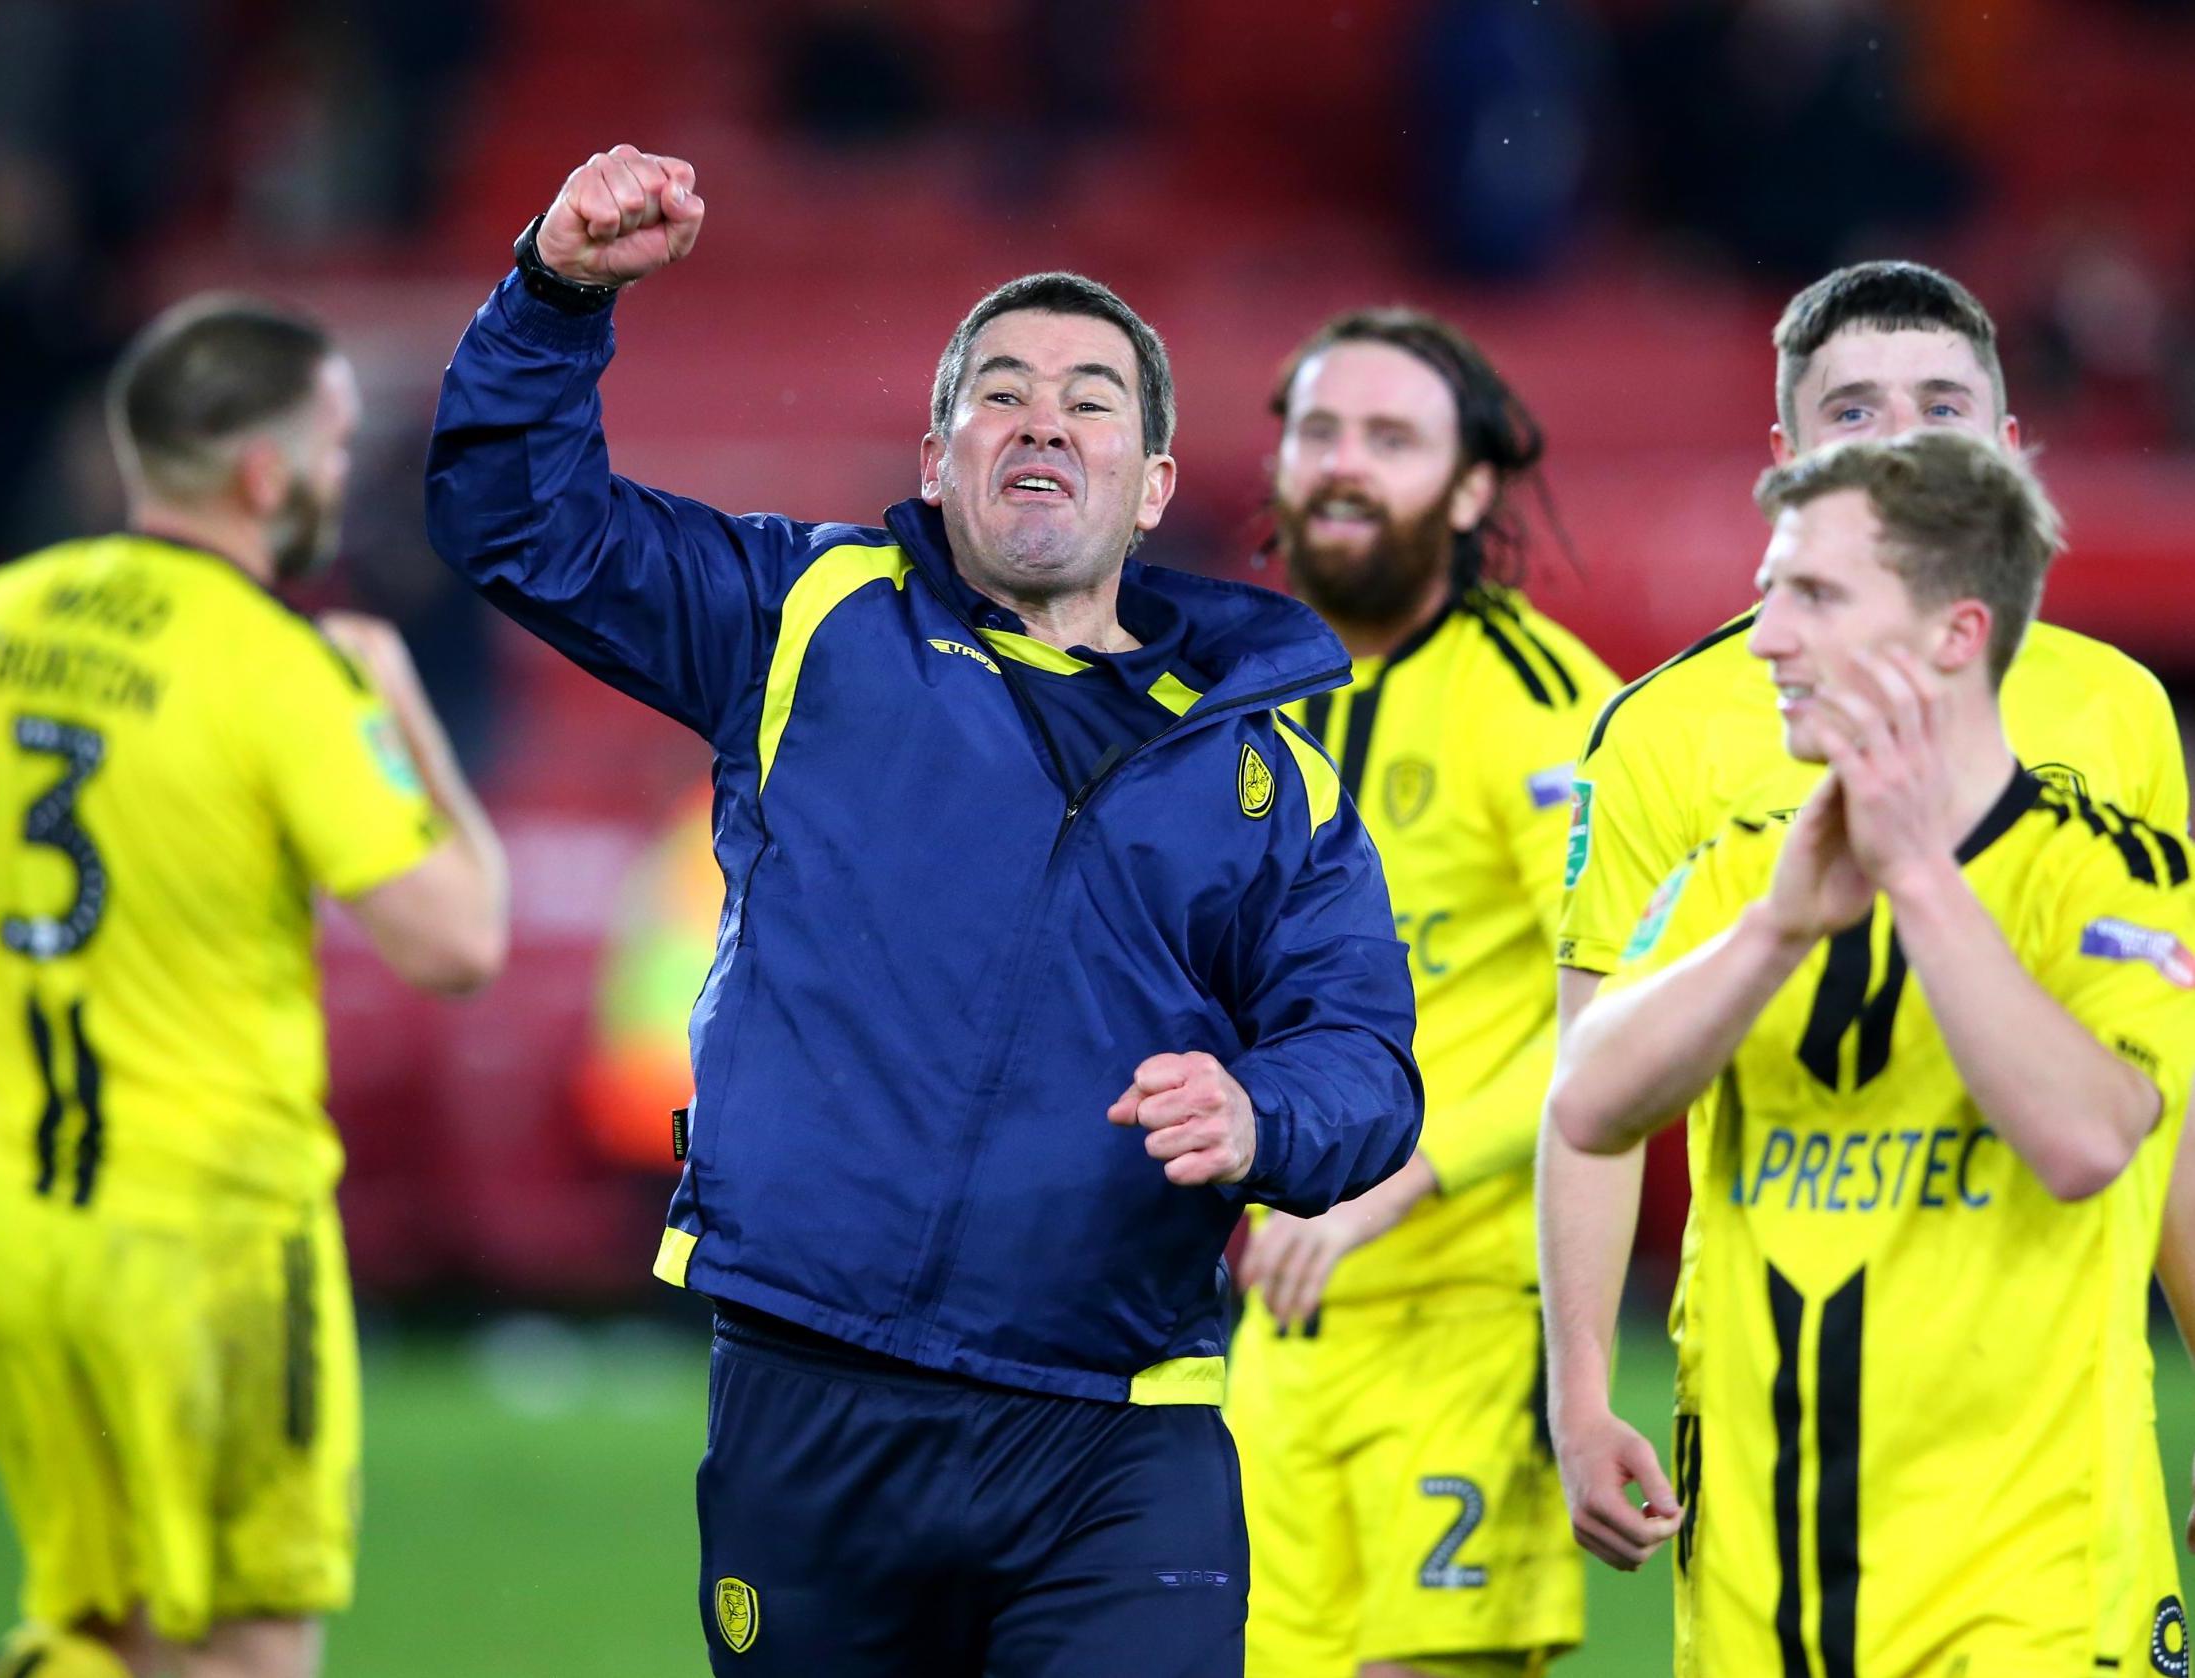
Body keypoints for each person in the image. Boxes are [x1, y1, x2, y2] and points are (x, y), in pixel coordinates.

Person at [423, 145, 1421, 1677]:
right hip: (812, 1394)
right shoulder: (798, 616)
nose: (1041, 418)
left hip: (1113, 1426)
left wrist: (1260, 1109)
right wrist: (554, 294)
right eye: (999, 391)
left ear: (1152, 484)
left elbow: (1363, 1059)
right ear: (938, 451)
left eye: (1092, 399)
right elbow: (513, 519)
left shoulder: (1272, 776)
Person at [1537, 261, 2194, 1595]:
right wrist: (1580, 1382)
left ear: (2010, 452)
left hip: (2048, 1430)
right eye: (1853, 413)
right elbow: (1588, 1087)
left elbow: (2168, 1090)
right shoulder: (1665, 731)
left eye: (1940, 407)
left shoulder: (2114, 714)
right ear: (1783, 463)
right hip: (1773, 1426)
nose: (1899, 442)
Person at [0, 295, 509, 1678]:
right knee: (247, 1646)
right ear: (267, 473)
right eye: (332, 440)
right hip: (208, 1237)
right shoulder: (284, 669)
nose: (340, 471)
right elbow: (458, 941)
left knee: (98, 1621)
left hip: (16, 1218)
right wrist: (401, 717)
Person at [1228, 308, 1613, 1678]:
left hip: (1465, 1318)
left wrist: (1393, 1182)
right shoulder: (1226, 698)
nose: (1343, 464)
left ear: (1465, 489)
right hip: (1272, 1334)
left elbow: (1621, 1014)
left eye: (1390, 438)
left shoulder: (1544, 707)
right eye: (1318, 431)